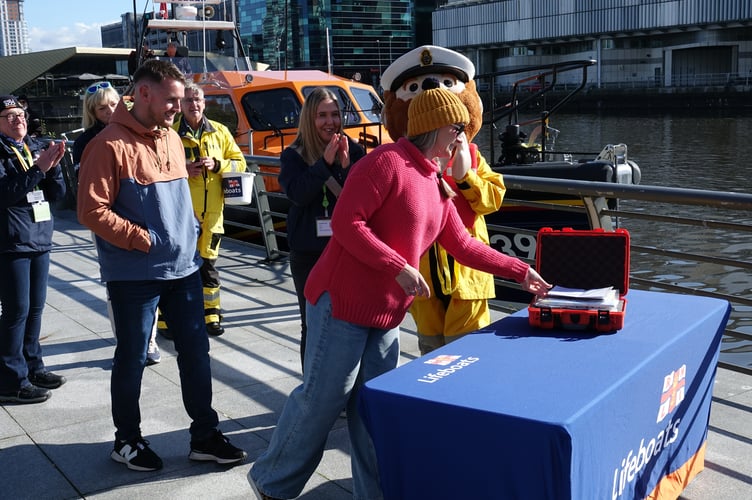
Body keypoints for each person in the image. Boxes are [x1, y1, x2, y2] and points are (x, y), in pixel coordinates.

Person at [248, 82, 551, 500]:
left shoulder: (436, 182)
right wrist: (399, 266)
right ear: (434, 127)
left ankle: (376, 493)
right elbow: (346, 224)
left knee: (374, 410)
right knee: (323, 399)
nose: (461, 138)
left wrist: (520, 271)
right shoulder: (384, 162)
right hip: (342, 302)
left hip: (386, 314)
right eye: (456, 130)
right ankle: (271, 482)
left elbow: (463, 245)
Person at [77, 59, 246, 472]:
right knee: (132, 357)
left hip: (184, 268)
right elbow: (90, 210)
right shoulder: (109, 144)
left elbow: (175, 195)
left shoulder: (169, 137)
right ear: (145, 93)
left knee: (196, 352)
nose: (179, 106)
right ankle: (127, 440)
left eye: (182, 99)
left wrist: (185, 228)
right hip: (134, 275)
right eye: (172, 100)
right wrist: (143, 239)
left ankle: (204, 434)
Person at [381, 45, 508, 354]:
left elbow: (491, 202)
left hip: (467, 275)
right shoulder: (402, 160)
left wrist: (467, 177)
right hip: (423, 270)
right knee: (431, 351)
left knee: (468, 355)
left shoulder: (474, 156)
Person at [72, 81, 162, 366]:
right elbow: (88, 195)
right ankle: (126, 339)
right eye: (103, 107)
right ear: (92, 112)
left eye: (114, 103)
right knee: (117, 282)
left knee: (152, 279)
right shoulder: (87, 142)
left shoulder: (137, 132)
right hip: (109, 221)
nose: (111, 110)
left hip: (142, 218)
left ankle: (149, 339)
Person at [278, 87, 365, 368]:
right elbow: (297, 194)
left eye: (335, 114)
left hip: (347, 250)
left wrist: (346, 166)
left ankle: (345, 388)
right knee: (312, 322)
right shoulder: (294, 155)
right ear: (310, 119)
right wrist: (324, 164)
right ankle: (313, 391)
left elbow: (366, 200)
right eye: (322, 115)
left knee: (350, 319)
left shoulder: (354, 150)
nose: (330, 122)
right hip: (310, 253)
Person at [161, 81, 245, 337]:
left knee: (208, 266)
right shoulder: (170, 133)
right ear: (180, 105)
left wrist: (218, 165)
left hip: (212, 216)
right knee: (175, 267)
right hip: (181, 215)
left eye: (197, 99)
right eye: (188, 100)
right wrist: (184, 170)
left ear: (204, 102)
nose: (193, 104)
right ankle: (166, 321)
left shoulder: (219, 131)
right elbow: (158, 168)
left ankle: (212, 316)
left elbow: (239, 162)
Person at [0, 95, 68, 404]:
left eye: (21, 114)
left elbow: (57, 194)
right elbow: (6, 194)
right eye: (9, 116)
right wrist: (37, 170)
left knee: (36, 308)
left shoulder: (32, 146)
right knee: (16, 311)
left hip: (39, 236)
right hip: (11, 241)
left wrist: (52, 167)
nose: (18, 120)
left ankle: (32, 365)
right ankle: (11, 379)